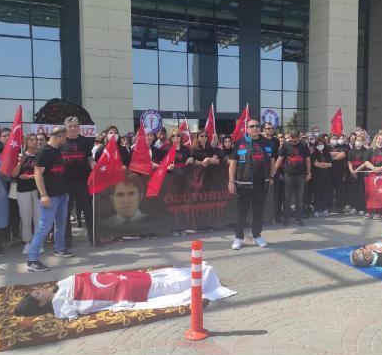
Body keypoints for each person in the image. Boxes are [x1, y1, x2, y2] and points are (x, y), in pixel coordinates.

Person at [14, 264, 235, 319]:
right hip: (118, 289)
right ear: (41, 304)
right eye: (37, 294)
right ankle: (201, 278)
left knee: (155, 277)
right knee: (159, 286)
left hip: (114, 279)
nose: (39, 289)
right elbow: (70, 315)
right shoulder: (60, 305)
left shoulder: (59, 286)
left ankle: (199, 274)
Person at [26, 126, 74, 272]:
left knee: (61, 223)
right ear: (59, 136)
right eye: (64, 138)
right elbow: (37, 175)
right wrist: (44, 195)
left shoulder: (58, 150)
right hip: (50, 196)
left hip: (62, 194)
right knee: (44, 227)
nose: (65, 141)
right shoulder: (44, 151)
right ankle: (32, 260)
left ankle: (59, 249)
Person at [228, 118, 274, 250]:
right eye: (252, 126)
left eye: (257, 126)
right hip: (243, 184)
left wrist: (271, 176)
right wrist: (231, 181)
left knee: (259, 211)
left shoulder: (267, 143)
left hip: (261, 184)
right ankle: (238, 238)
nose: (255, 128)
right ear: (247, 128)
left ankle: (257, 236)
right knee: (241, 212)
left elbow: (272, 160)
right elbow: (233, 163)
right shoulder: (239, 143)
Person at [62, 117, 95, 248]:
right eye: (70, 126)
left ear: (78, 128)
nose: (73, 128)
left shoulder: (85, 141)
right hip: (66, 183)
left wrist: (92, 164)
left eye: (75, 126)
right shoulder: (61, 141)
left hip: (83, 182)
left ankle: (93, 238)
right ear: (66, 127)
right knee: (66, 213)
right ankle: (67, 241)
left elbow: (89, 157)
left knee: (88, 210)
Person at [275, 129, 311, 226]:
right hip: (288, 175)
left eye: (295, 141)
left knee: (299, 198)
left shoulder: (304, 145)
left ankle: (298, 218)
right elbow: (280, 159)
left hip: (301, 175)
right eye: (292, 140)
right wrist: (274, 171)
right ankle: (286, 219)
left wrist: (308, 172)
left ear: (299, 137)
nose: (293, 142)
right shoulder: (285, 145)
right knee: (287, 198)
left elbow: (307, 160)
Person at [12, 134, 41, 254]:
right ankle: (28, 242)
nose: (35, 142)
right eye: (32, 140)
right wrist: (20, 162)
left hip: (38, 190)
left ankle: (38, 242)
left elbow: (44, 173)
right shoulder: (21, 155)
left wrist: (30, 177)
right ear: (26, 142)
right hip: (23, 190)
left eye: (36, 140)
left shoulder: (41, 155)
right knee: (25, 217)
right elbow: (14, 174)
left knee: (38, 218)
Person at [363, 132, 382, 220]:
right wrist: (373, 168)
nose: (381, 140)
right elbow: (365, 161)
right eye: (379, 139)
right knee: (369, 194)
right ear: (376, 139)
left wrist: (380, 168)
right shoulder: (370, 150)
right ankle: (369, 211)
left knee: (380, 194)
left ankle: (378, 212)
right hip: (370, 175)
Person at [262, 122, 282, 222]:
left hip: (275, 171)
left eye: (271, 128)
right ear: (264, 129)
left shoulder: (276, 140)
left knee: (276, 194)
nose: (270, 130)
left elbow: (278, 157)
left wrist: (275, 170)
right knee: (264, 195)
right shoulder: (261, 140)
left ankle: (276, 216)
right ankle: (264, 216)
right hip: (263, 171)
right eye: (268, 128)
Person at [312, 137, 332, 217]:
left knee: (325, 192)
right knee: (317, 193)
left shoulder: (327, 154)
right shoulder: (314, 154)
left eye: (321, 144)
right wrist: (324, 164)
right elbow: (315, 164)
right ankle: (317, 209)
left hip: (326, 176)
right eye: (318, 144)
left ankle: (324, 208)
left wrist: (320, 164)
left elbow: (330, 164)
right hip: (317, 176)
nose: (320, 146)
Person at [347, 136, 367, 215]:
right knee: (354, 191)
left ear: (363, 142)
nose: (358, 142)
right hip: (353, 174)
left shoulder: (365, 151)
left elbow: (365, 163)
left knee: (361, 191)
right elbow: (349, 162)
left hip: (362, 174)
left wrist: (356, 170)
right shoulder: (351, 151)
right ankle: (355, 207)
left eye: (360, 140)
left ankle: (362, 208)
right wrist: (352, 171)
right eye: (357, 140)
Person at [329, 134, 347, 213]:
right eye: (333, 139)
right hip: (329, 172)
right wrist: (336, 154)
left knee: (339, 190)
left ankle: (339, 207)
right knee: (329, 190)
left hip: (339, 172)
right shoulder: (327, 147)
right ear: (329, 140)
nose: (335, 140)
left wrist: (331, 158)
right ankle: (329, 206)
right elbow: (327, 154)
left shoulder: (341, 147)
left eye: (336, 138)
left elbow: (342, 155)